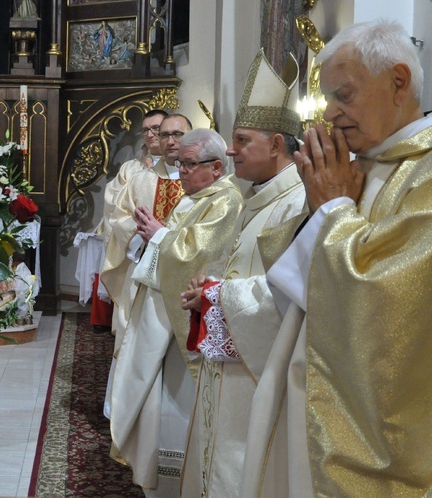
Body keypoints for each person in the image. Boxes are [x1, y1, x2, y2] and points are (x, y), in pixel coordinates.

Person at [247, 20, 432, 497]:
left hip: (378, 424)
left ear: (398, 82)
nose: (329, 114)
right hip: (309, 391)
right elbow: (293, 268)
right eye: (327, 99)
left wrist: (334, 209)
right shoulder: (360, 163)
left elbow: (394, 299)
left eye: (344, 96)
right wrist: (323, 206)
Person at [178, 49, 307, 497]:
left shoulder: (299, 204)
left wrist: (218, 297)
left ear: (276, 145)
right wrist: (206, 287)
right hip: (232, 362)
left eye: (242, 139)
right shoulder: (256, 195)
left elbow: (292, 295)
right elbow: (233, 267)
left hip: (260, 370)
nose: (230, 149)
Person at [108, 128, 243, 496]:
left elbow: (199, 257)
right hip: (162, 320)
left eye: (188, 164)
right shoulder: (197, 198)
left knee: (176, 413)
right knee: (158, 406)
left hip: (183, 326)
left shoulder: (225, 201)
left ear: (216, 168)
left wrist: (159, 236)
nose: (180, 171)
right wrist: (155, 235)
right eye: (179, 163)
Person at [100, 113, 189, 417]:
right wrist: (145, 237)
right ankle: (128, 415)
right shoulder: (140, 180)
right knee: (136, 341)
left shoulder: (207, 182)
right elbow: (119, 218)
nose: (169, 141)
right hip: (143, 276)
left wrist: (165, 234)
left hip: (186, 281)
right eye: (163, 135)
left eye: (177, 134)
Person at [92, 109, 168, 333]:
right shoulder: (131, 168)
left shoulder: (183, 168)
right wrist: (140, 234)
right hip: (137, 248)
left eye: (156, 129)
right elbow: (115, 205)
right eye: (146, 130)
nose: (150, 134)